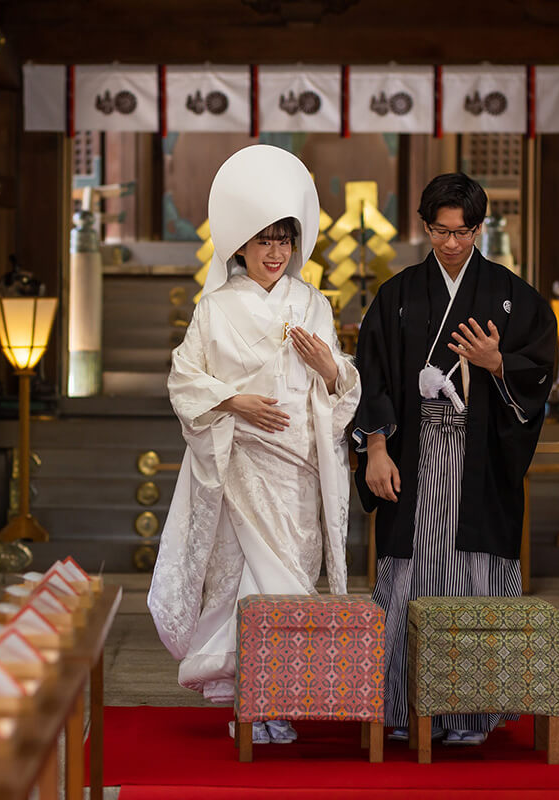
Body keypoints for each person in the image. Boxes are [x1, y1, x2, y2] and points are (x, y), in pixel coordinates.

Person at [147, 144, 361, 744]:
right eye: (264, 240)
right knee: (246, 584)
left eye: (284, 241)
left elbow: (343, 389)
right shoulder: (214, 310)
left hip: (297, 470)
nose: (275, 253)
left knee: (291, 579)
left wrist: (330, 368)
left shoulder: (313, 303)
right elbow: (184, 378)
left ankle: (283, 696)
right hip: (239, 463)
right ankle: (251, 700)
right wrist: (233, 401)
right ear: (240, 244)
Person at [352, 173, 558, 746]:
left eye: (463, 232)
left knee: (474, 573)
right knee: (408, 575)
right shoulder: (397, 297)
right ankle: (401, 705)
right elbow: (371, 376)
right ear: (424, 227)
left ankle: (472, 712)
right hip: (410, 455)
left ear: (479, 228)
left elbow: (540, 366)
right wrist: (374, 448)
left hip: (478, 460)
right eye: (440, 232)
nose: (451, 244)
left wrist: (497, 364)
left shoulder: (511, 294)